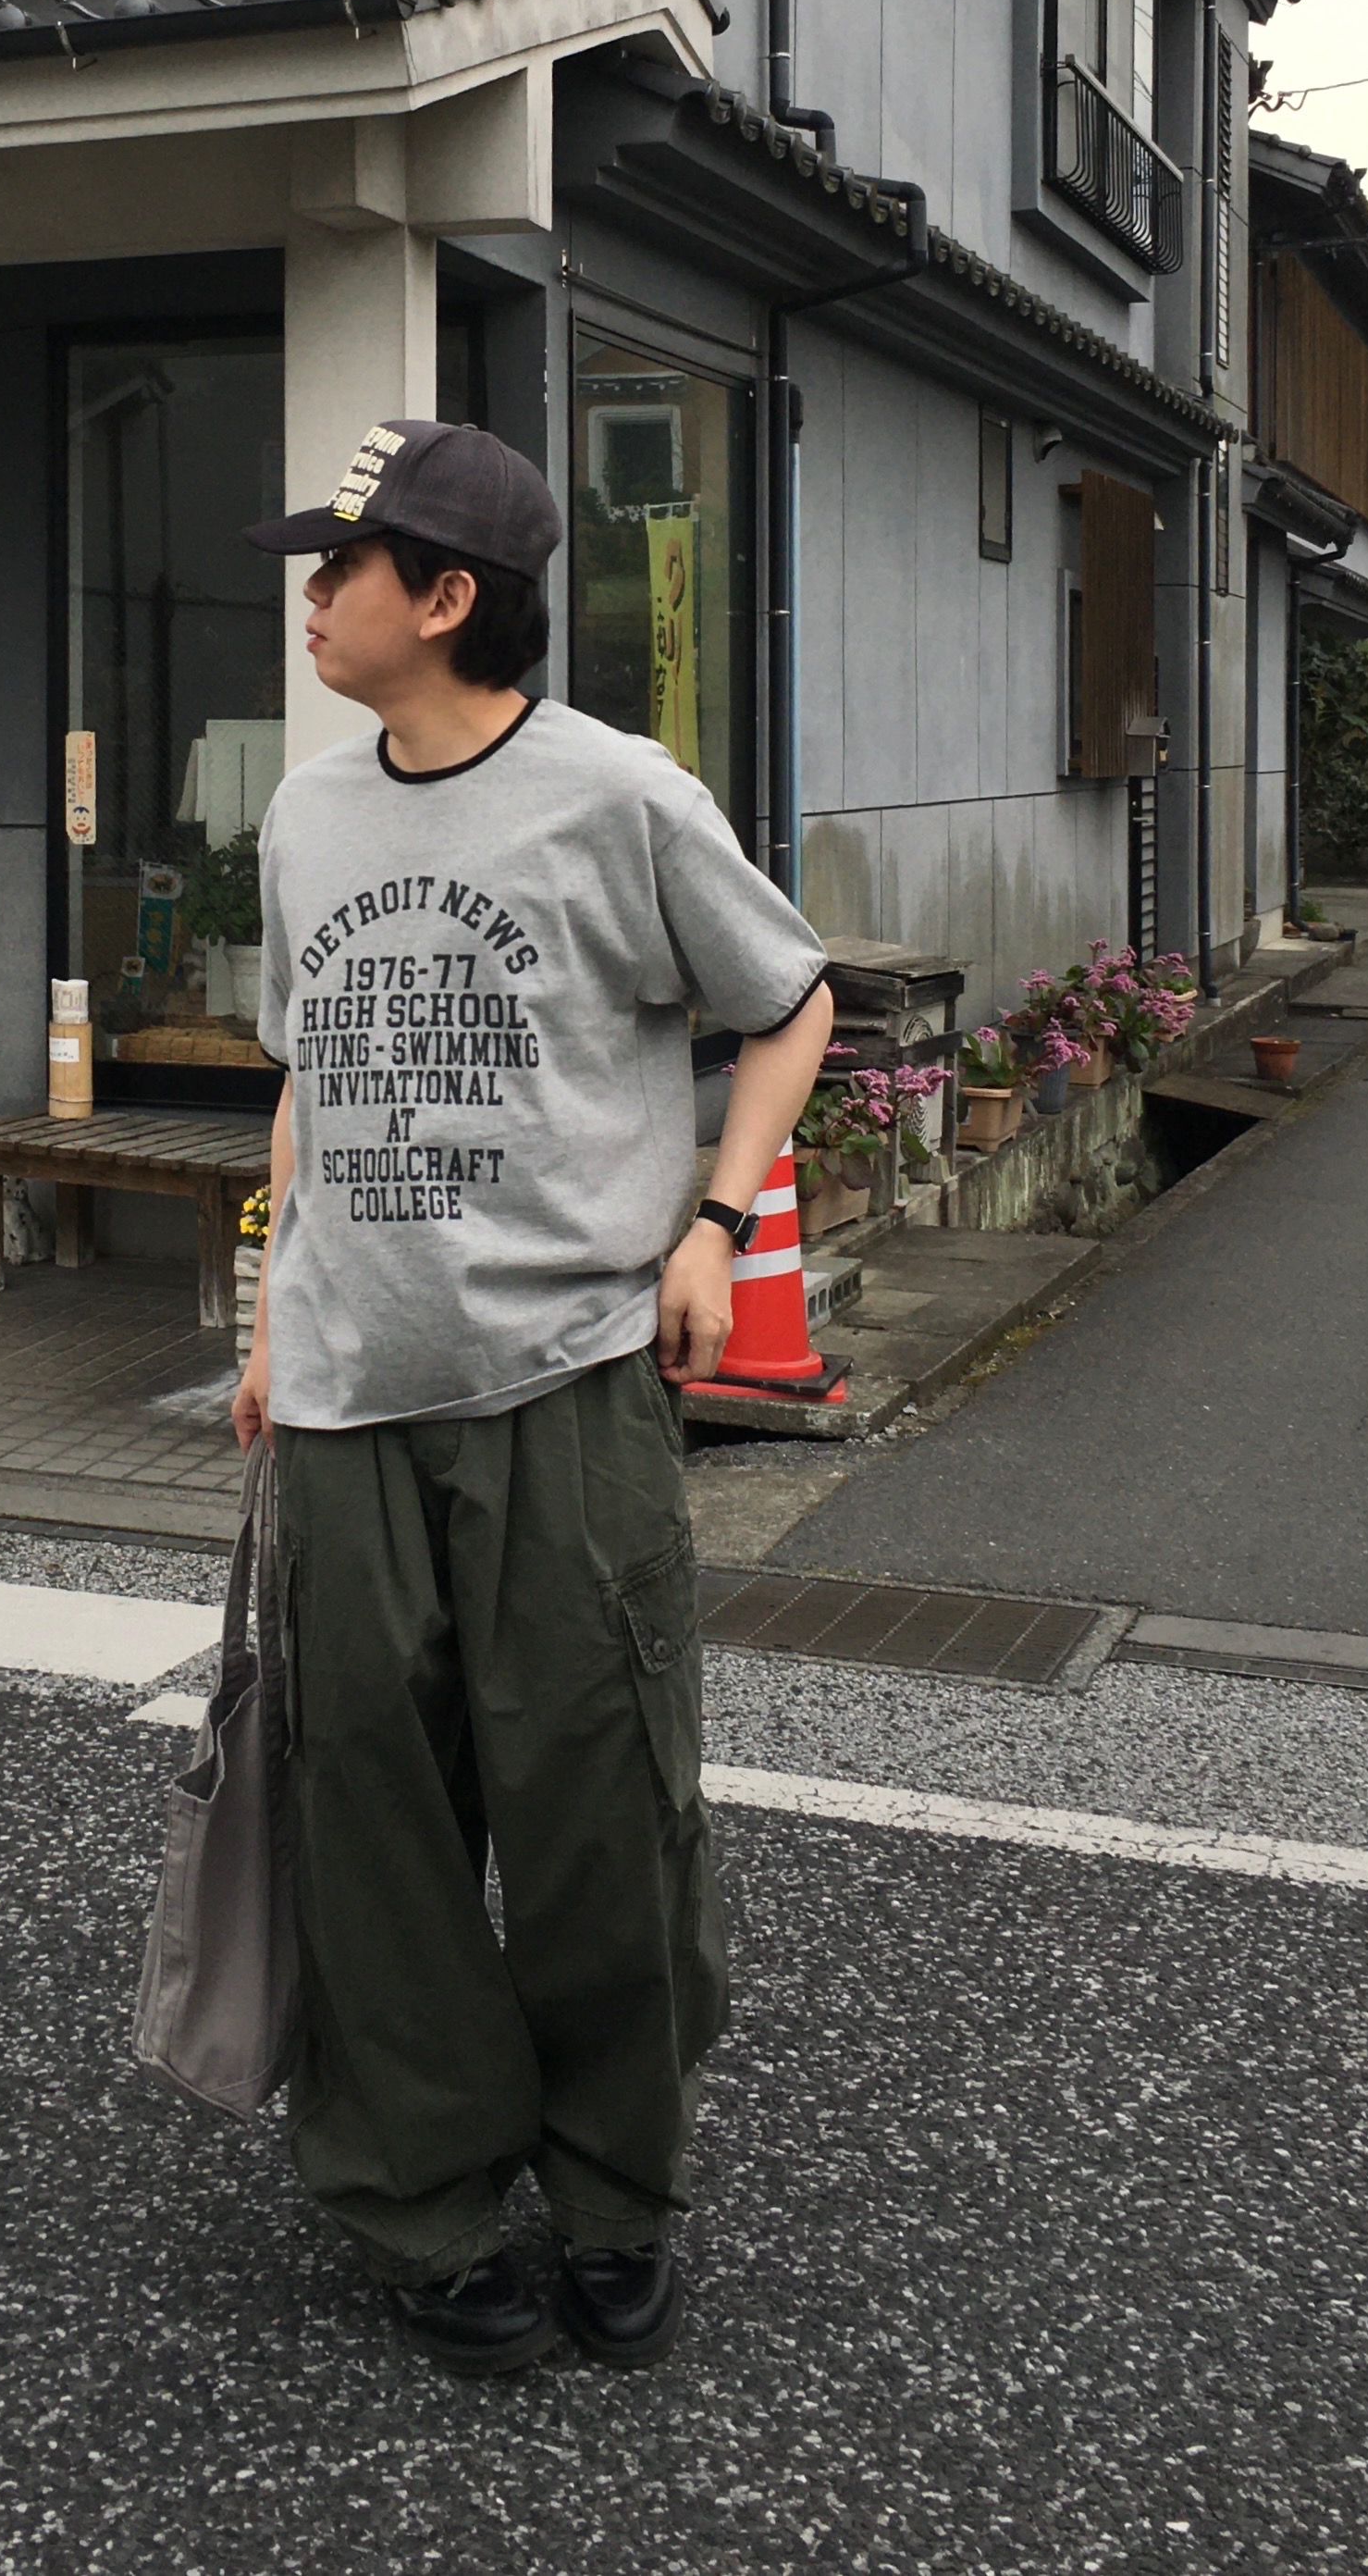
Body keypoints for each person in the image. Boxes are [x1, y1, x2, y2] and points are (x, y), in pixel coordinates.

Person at [234, 415, 833, 2377]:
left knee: (599, 1807)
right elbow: (308, 1071)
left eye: (341, 565)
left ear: (445, 595)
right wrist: (268, 1312)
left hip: (564, 1382)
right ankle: (420, 2195)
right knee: (370, 1819)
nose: (313, 594)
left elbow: (790, 1000)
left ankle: (613, 2193)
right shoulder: (308, 816)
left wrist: (714, 1224)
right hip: (346, 1393)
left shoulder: (619, 796)